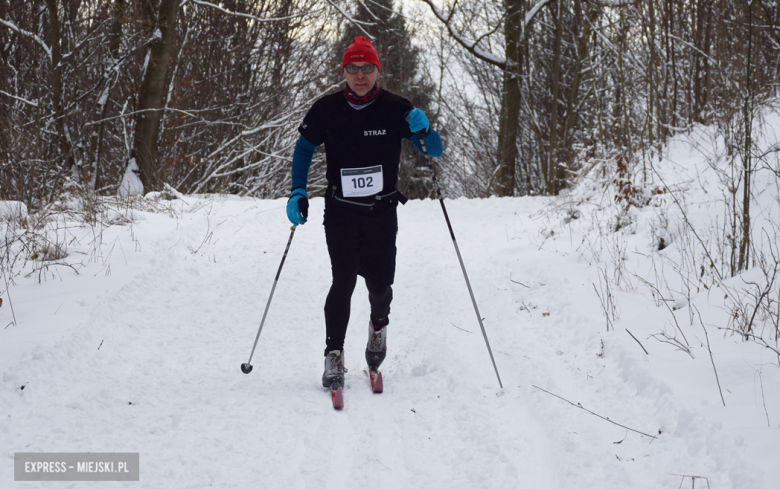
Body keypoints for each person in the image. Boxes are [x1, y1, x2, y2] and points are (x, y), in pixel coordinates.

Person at [286, 36, 443, 388]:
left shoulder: (395, 108)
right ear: (343, 71)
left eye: (367, 68)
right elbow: (303, 149)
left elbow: (434, 150)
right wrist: (298, 191)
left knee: (379, 285)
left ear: (377, 70)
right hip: (340, 211)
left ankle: (378, 325)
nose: (360, 75)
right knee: (342, 281)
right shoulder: (326, 109)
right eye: (353, 68)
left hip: (382, 213)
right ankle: (334, 356)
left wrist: (425, 128)